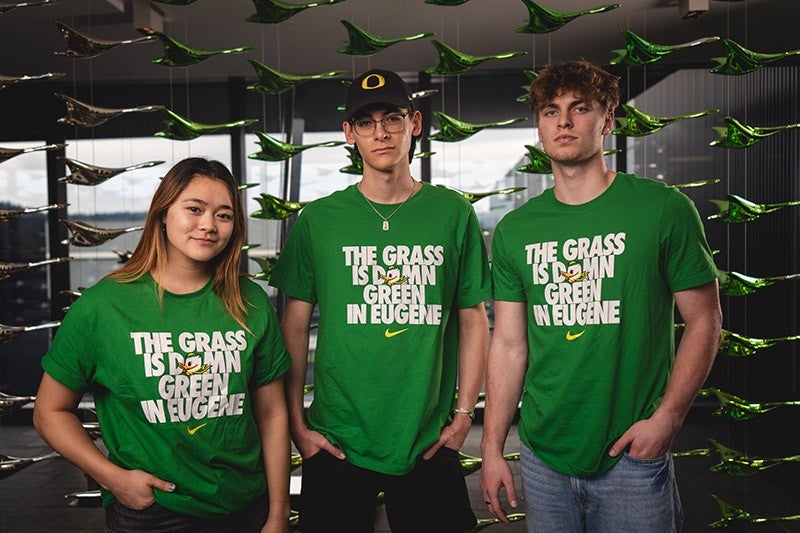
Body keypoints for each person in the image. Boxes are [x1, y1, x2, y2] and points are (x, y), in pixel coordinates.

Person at [479, 59, 722, 532]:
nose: (564, 121)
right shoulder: (515, 230)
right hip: (543, 454)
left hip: (632, 453)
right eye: (550, 111)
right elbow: (509, 345)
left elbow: (705, 320)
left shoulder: (663, 209)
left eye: (579, 108)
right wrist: (491, 449)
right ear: (539, 126)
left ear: (607, 121)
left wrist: (667, 420)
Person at [269, 68, 491, 533]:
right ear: (349, 134)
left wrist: (463, 418)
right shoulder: (319, 220)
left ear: (415, 123)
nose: (381, 132)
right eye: (366, 122)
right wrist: (298, 426)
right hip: (335, 439)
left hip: (428, 439)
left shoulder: (453, 214)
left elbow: (473, 319)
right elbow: (293, 325)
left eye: (392, 118)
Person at [33, 157, 292, 533]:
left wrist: (278, 512)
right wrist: (113, 478)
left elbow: (271, 414)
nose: (208, 225)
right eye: (194, 209)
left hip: (247, 507)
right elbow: (49, 411)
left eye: (224, 215)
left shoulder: (249, 300)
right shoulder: (103, 307)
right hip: (153, 512)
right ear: (163, 213)